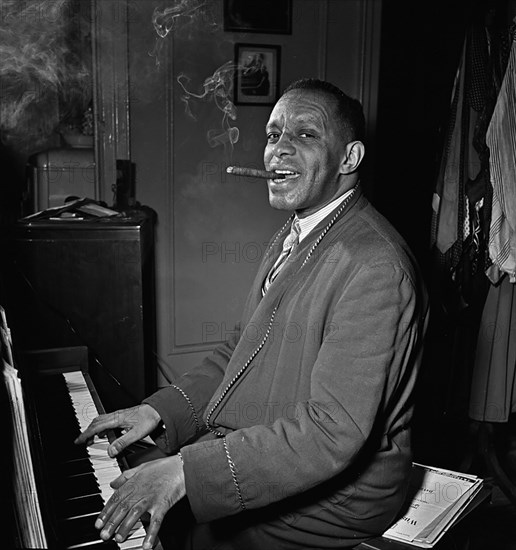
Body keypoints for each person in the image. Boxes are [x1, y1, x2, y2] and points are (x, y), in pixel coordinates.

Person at [75, 78, 429, 549]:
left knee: (175, 529)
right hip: (285, 450)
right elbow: (240, 350)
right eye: (273, 134)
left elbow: (332, 432)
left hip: (341, 500)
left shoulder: (376, 267)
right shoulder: (298, 231)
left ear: (350, 159)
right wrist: (157, 412)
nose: (278, 151)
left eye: (305, 135)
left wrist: (185, 472)